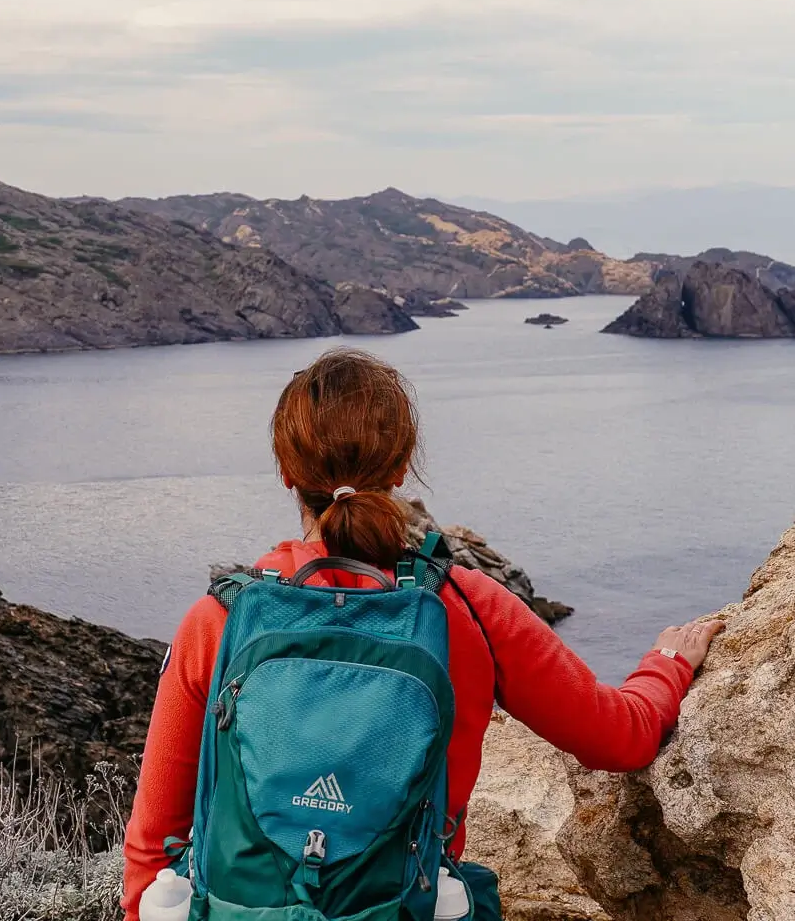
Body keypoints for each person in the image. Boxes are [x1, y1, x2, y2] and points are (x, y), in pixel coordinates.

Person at [122, 348, 724, 921]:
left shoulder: (223, 619)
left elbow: (153, 848)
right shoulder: (464, 606)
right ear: (402, 467)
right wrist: (667, 662)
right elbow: (619, 739)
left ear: (285, 472)